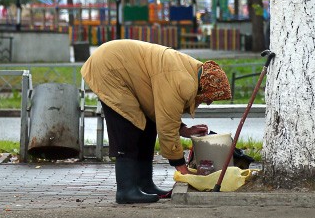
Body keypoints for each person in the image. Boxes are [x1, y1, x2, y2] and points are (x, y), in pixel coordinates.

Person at [80, 39, 231, 204]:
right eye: (211, 98)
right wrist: (182, 169)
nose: (208, 102)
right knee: (129, 126)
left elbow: (158, 111)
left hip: (117, 64)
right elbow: (166, 126)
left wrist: (184, 129)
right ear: (207, 88)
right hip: (109, 68)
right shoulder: (183, 81)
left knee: (148, 127)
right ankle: (126, 190)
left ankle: (145, 184)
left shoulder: (193, 73)